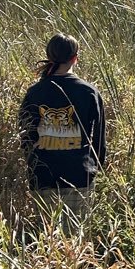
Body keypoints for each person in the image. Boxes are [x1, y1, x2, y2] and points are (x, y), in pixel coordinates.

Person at [17, 33, 107, 234]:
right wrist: (97, 167)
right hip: (79, 174)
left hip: (43, 175)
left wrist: (32, 165)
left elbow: (25, 135)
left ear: (49, 56)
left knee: (47, 237)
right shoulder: (88, 92)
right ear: (75, 58)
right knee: (76, 238)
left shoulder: (35, 92)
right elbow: (100, 137)